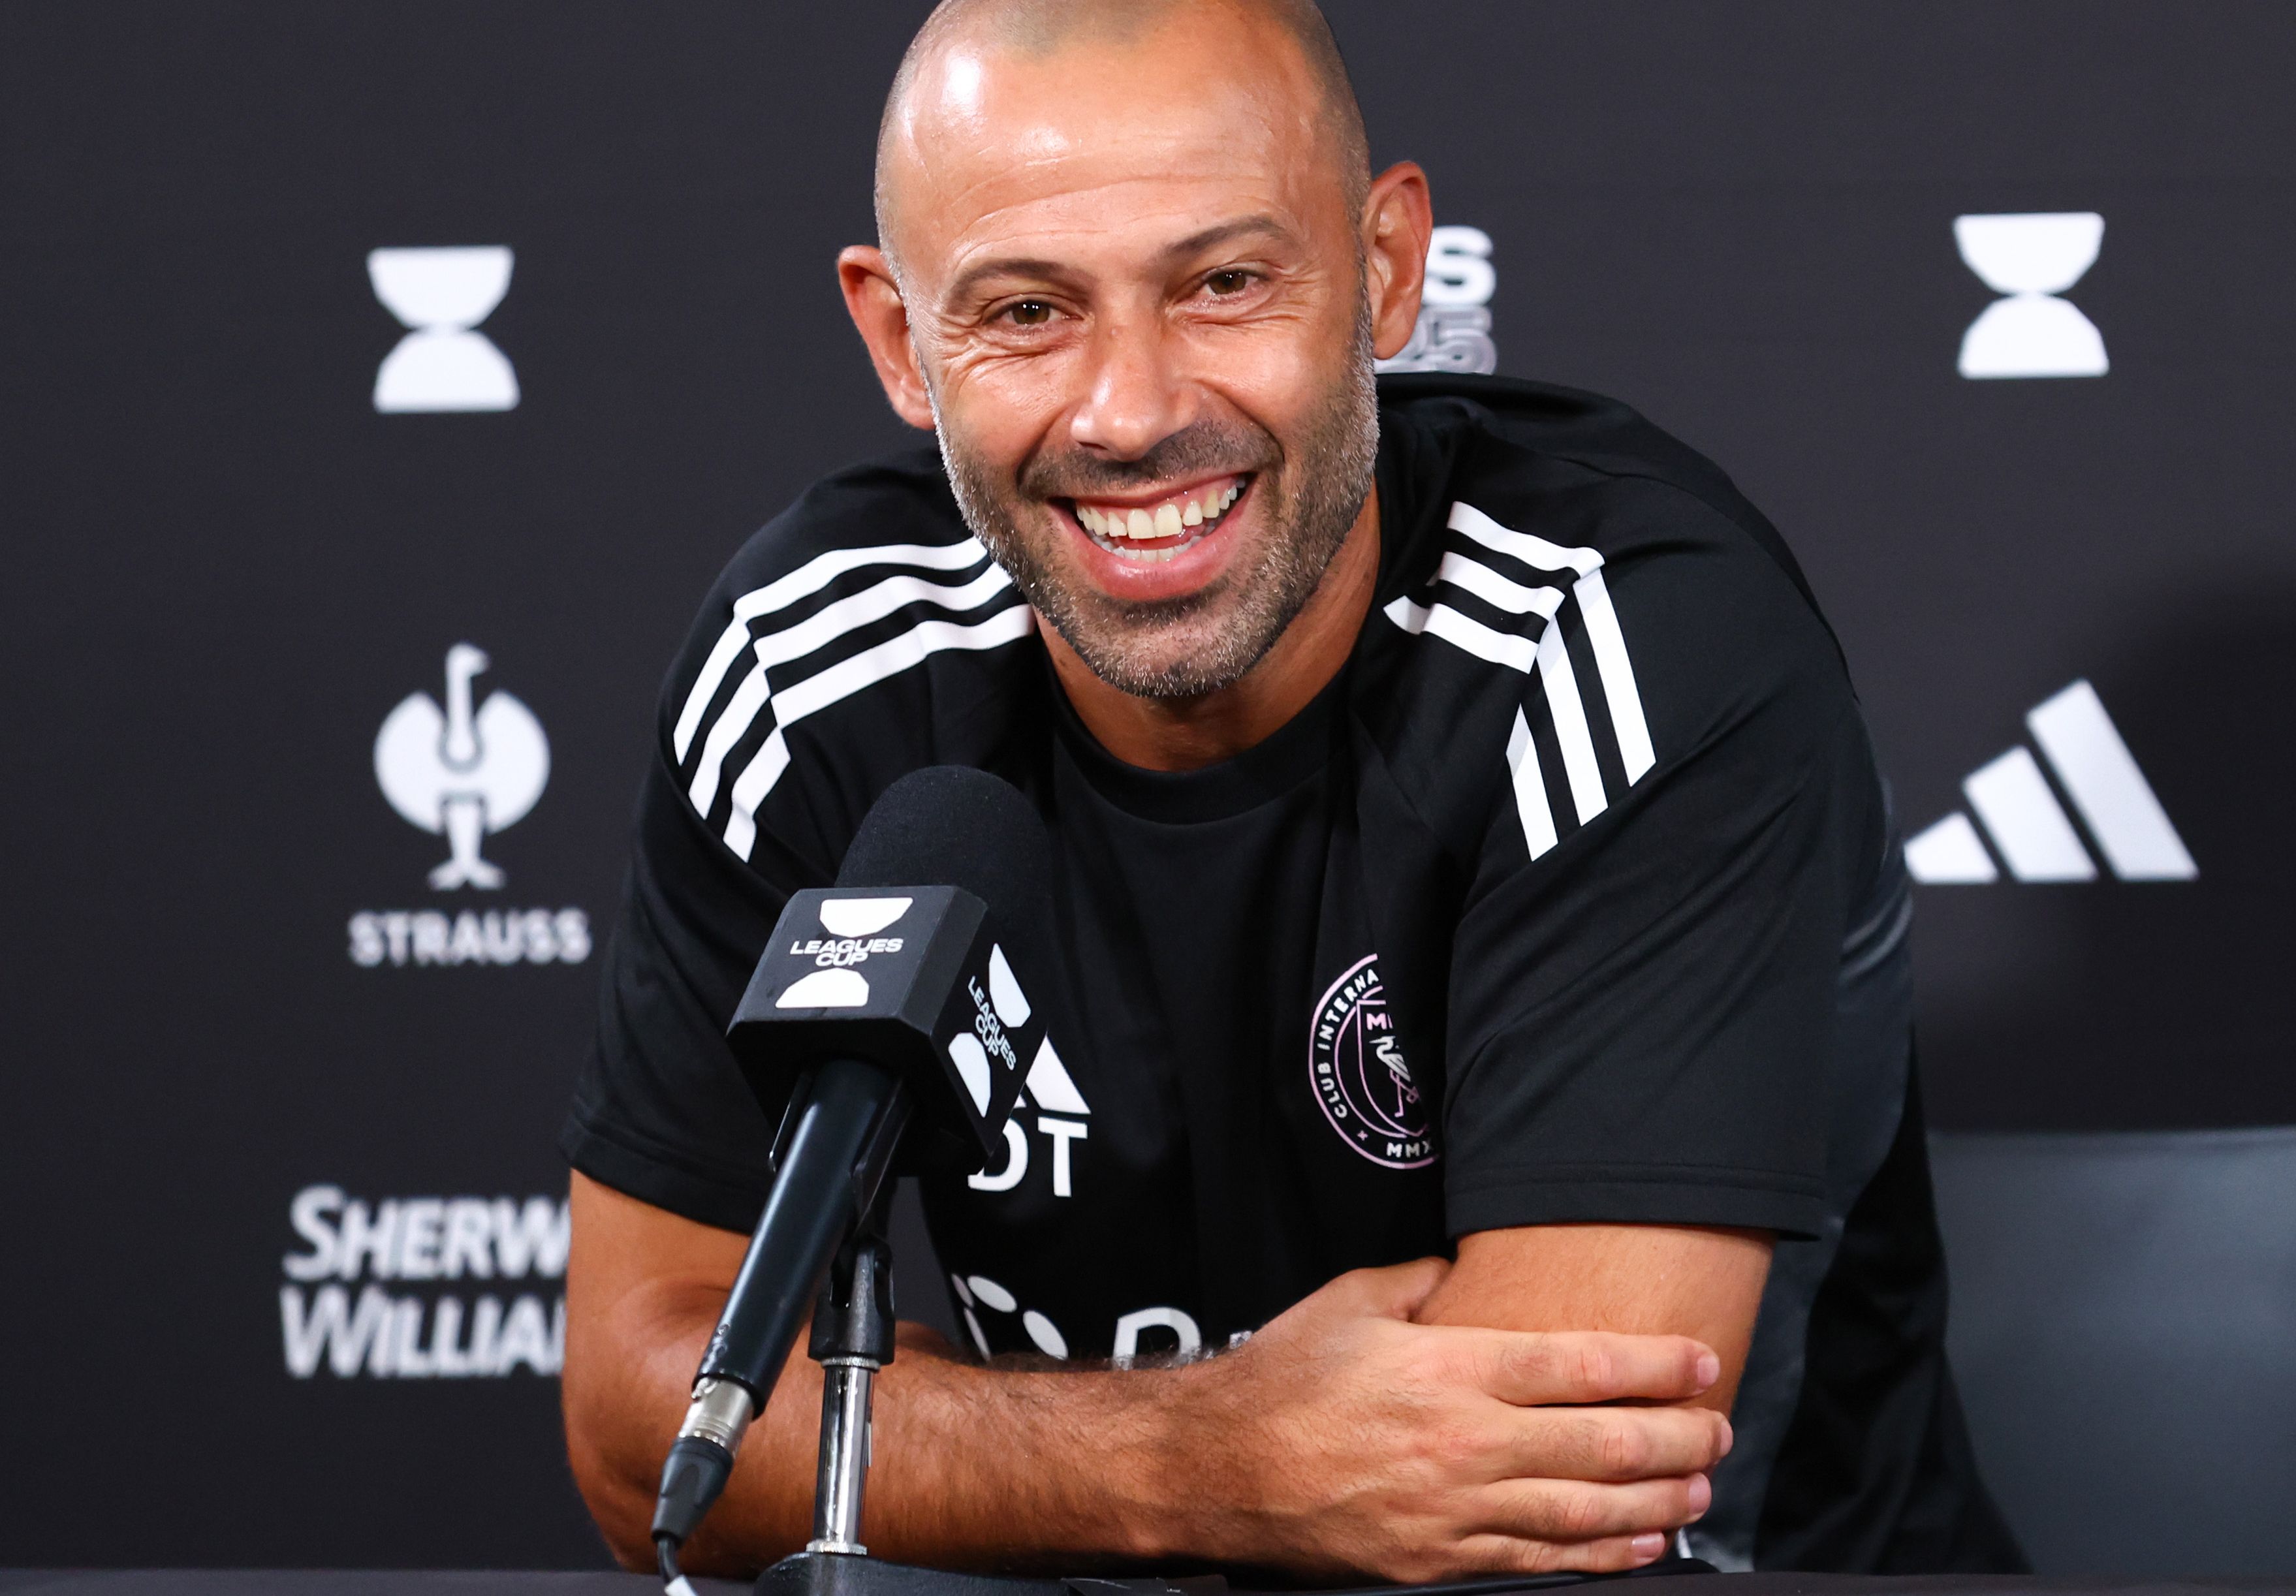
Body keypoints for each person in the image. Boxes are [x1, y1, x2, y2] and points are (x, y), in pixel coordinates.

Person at [559, 0, 2019, 1581]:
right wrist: (1217, 1454)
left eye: (1225, 282)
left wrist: (948, 1439)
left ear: (1388, 268)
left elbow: (1541, 1507)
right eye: (1028, 311)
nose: (1129, 410)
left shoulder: (1623, 639)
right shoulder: (809, 664)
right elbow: (655, 1429)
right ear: (902, 345)